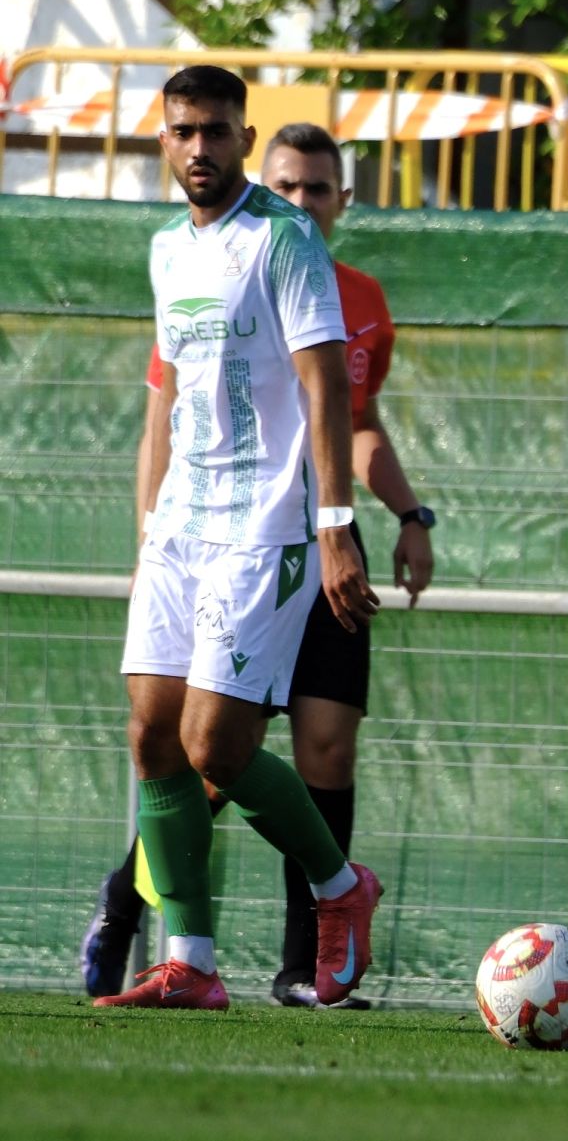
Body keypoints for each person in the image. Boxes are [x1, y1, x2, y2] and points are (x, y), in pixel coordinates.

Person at [81, 122, 434, 1008]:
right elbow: (167, 408)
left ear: (341, 201)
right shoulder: (185, 254)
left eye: (320, 189)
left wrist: (388, 514)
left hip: (293, 537)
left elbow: (348, 414)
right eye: (292, 185)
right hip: (196, 537)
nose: (304, 202)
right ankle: (171, 940)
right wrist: (150, 535)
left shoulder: (345, 290)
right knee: (170, 741)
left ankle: (315, 927)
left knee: (285, 745)